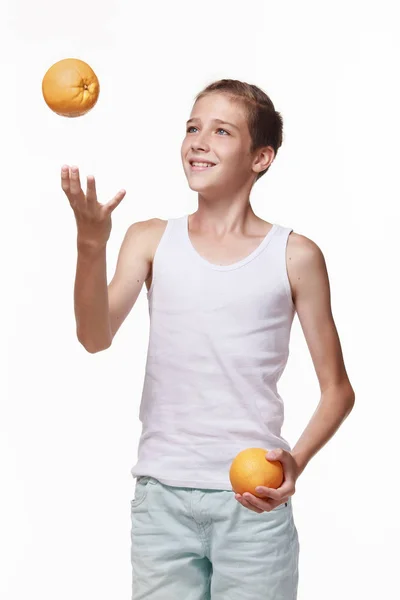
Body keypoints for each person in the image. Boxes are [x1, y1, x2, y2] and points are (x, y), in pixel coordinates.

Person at [61, 79, 355, 600]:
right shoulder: (150, 239)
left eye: (221, 131)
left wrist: (296, 462)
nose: (199, 141)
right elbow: (94, 335)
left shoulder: (295, 255)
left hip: (253, 504)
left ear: (261, 157)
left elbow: (338, 390)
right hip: (161, 503)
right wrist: (90, 244)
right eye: (193, 128)